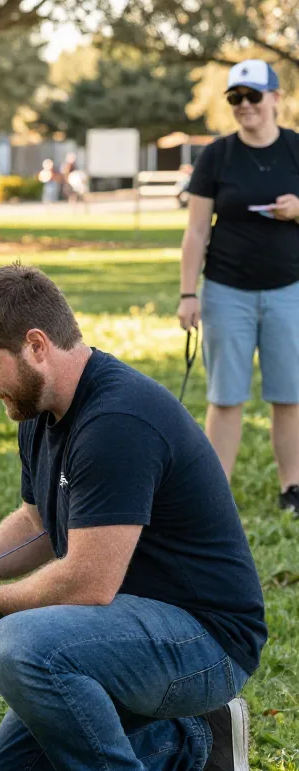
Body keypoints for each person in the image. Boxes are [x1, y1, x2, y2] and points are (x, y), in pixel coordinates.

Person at [0, 264, 266, 771]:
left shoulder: (116, 421)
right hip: (129, 631)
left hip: (207, 639)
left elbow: (87, 581)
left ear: (35, 345)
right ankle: (197, 742)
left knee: (21, 644)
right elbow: (37, 526)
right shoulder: (42, 410)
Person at [180, 58, 299, 517]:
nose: (245, 105)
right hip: (226, 290)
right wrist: (188, 293)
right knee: (226, 396)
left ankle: (292, 487)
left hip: (289, 290)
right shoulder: (217, 155)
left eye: (253, 95)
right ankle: (217, 494)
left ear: (275, 98)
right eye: (236, 98)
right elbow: (195, 232)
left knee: (288, 395)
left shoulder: (294, 149)